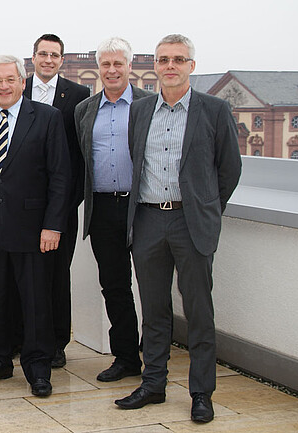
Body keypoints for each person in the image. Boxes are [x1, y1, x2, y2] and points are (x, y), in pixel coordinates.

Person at [114, 34, 241, 424]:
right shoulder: (141, 110)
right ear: (155, 65)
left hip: (191, 223)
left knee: (199, 311)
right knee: (153, 310)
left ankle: (201, 393)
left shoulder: (215, 110)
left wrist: (206, 209)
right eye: (164, 59)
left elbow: (229, 170)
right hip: (149, 220)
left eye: (179, 60)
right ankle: (153, 384)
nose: (171, 66)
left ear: (191, 66)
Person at [0, 55, 70, 397]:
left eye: (11, 79)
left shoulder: (48, 118)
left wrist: (53, 225)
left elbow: (61, 176)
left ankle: (38, 368)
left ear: (23, 82)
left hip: (35, 230)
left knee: (35, 301)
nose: (4, 86)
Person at [74, 37, 150, 382]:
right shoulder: (85, 110)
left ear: (130, 67)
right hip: (104, 209)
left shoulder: (150, 105)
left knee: (152, 284)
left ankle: (155, 355)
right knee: (115, 285)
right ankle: (125, 358)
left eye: (118, 63)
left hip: (145, 207)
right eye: (106, 64)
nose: (112, 70)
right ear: (98, 69)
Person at [23, 34, 90, 368]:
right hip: (23, 205)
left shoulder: (78, 96)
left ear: (62, 60)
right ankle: (25, 339)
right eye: (43, 54)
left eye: (55, 55)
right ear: (32, 58)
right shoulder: (16, 90)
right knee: (24, 274)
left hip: (61, 205)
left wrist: (67, 204)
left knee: (56, 276)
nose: (48, 60)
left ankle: (56, 343)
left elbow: (80, 157)